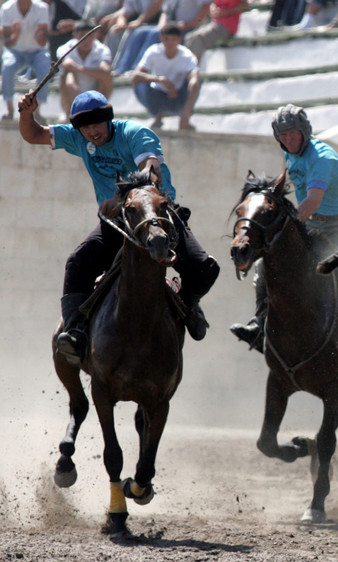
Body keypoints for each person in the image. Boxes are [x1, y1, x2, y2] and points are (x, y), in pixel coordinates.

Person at [16, 89, 220, 365]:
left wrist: (142, 184)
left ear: (108, 120)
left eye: (97, 124)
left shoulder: (135, 134)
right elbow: (33, 134)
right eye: (85, 127)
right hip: (116, 222)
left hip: (156, 216)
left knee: (204, 268)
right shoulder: (78, 137)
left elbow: (150, 166)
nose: (92, 132)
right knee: (77, 262)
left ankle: (187, 304)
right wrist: (27, 114)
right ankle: (75, 330)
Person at [230, 104, 338, 352]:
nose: (288, 140)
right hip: (312, 222)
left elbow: (313, 201)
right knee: (265, 264)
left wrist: (286, 229)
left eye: (293, 134)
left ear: (304, 131)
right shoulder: (290, 153)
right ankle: (259, 323)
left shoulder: (322, 157)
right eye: (282, 136)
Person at [131, 23, 201, 131]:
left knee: (195, 84)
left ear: (179, 39)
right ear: (161, 38)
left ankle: (185, 118)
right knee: (139, 84)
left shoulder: (187, 56)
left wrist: (185, 114)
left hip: (178, 96)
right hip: (158, 94)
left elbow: (194, 80)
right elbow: (135, 76)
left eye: (173, 39)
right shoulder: (154, 51)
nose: (170, 43)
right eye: (166, 39)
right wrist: (161, 80)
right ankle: (156, 115)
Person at [1, 0, 51, 120]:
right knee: (7, 67)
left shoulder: (42, 7)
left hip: (37, 51)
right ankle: (10, 110)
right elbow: (8, 43)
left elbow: (43, 41)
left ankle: (37, 111)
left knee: (45, 69)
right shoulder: (6, 8)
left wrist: (39, 37)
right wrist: (16, 35)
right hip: (15, 51)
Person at [57, 20, 114, 121]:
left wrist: (80, 68)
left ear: (95, 36)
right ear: (75, 35)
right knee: (67, 74)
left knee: (107, 77)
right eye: (83, 36)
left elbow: (105, 70)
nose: (87, 40)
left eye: (90, 36)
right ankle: (72, 112)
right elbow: (67, 64)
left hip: (95, 88)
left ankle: (99, 110)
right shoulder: (66, 48)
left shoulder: (102, 49)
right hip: (72, 92)